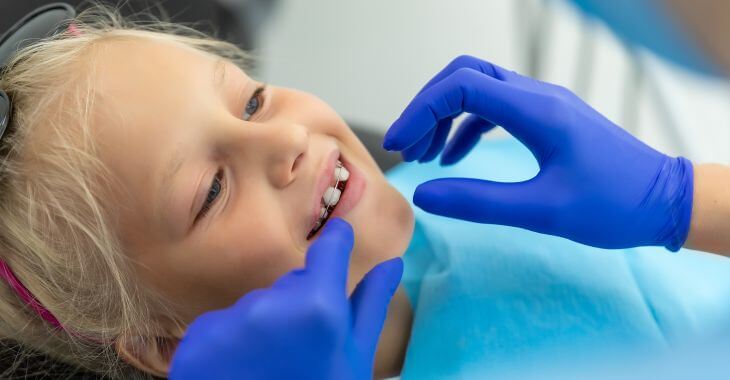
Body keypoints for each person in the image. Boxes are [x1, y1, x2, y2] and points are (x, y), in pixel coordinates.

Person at [0, 3, 728, 380]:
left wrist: (684, 199)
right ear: (168, 344)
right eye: (212, 190)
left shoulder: (469, 181)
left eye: (250, 102)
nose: (283, 141)